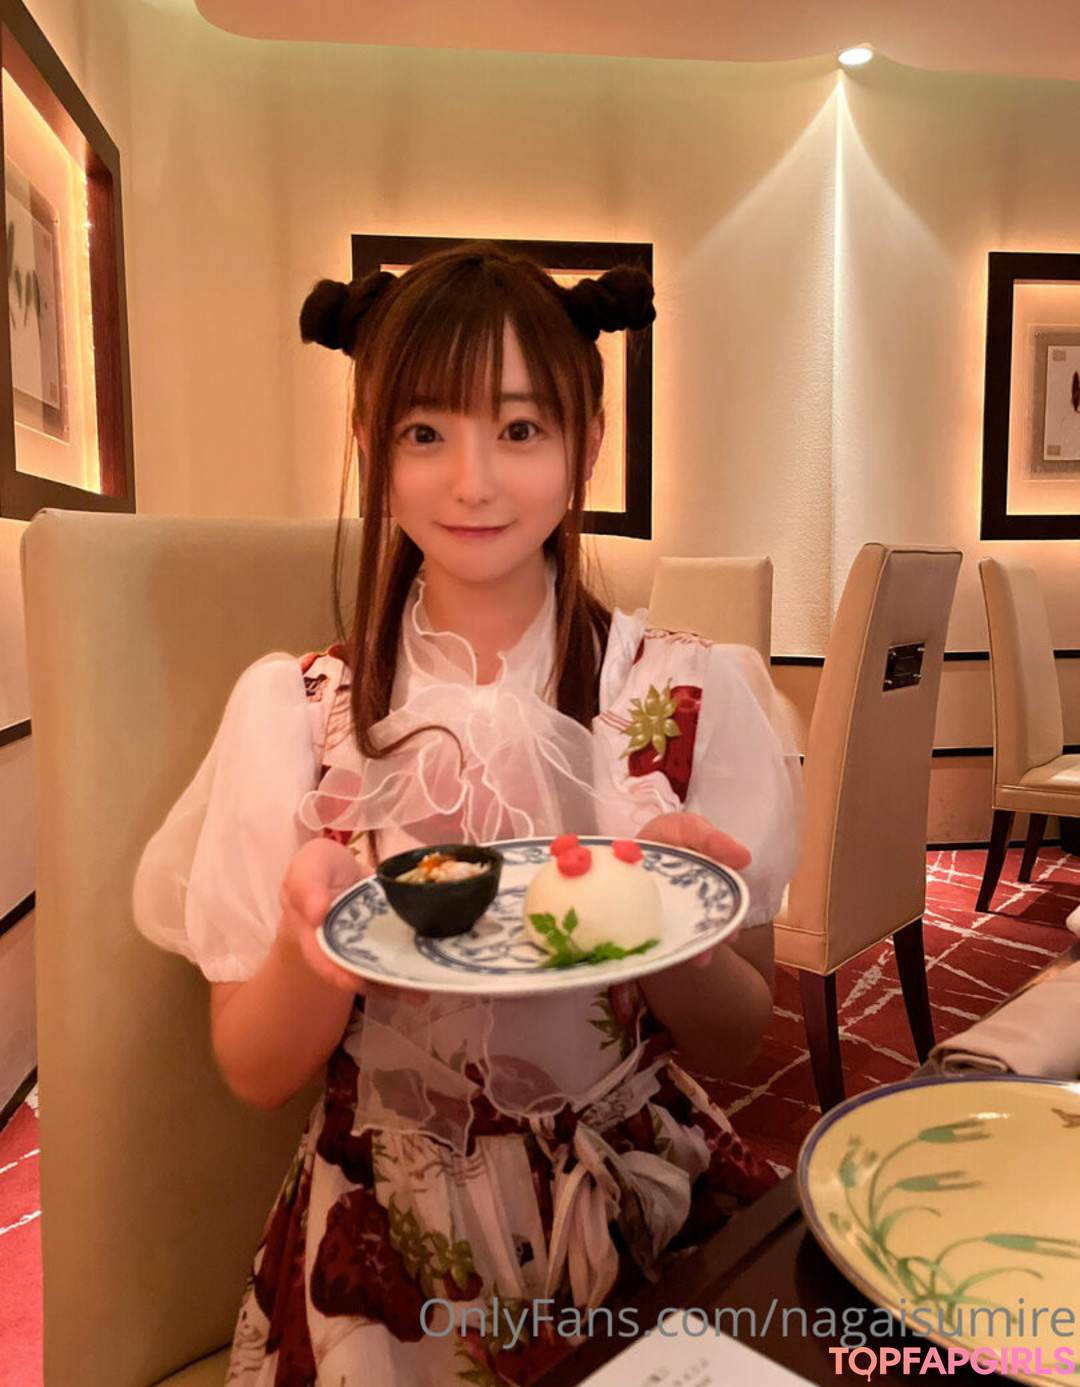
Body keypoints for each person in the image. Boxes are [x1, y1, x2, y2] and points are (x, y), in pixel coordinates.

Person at [133, 243, 803, 1387]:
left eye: (521, 428)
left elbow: (740, 1033)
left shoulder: (686, 694)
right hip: (389, 1232)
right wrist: (311, 943)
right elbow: (252, 1068)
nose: (473, 482)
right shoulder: (303, 712)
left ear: (589, 441)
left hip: (637, 1189)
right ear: (370, 445)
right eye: (424, 432)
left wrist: (676, 922)